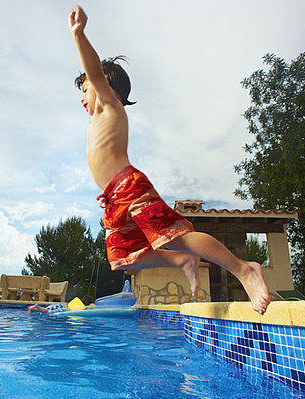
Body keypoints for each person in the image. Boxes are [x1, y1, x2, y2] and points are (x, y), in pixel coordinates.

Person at [68, 6, 270, 315]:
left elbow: (95, 73)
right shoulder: (96, 116)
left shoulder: (109, 106)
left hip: (128, 185)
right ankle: (180, 260)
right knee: (123, 257)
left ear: (103, 88)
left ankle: (244, 269)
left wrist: (79, 35)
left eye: (85, 89)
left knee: (178, 237)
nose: (83, 97)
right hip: (112, 197)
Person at [28, 295, 94, 314]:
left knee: (47, 309)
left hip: (61, 306)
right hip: (63, 310)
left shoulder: (76, 300)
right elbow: (86, 310)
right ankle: (38, 307)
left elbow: (68, 304)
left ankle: (33, 309)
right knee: (48, 311)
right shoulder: (83, 308)